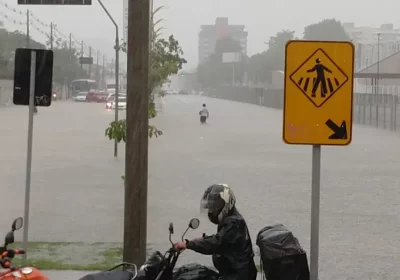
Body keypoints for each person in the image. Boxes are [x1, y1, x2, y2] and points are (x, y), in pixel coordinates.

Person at [174, 184, 257, 280]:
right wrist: (203, 239)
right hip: (235, 273)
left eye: (215, 205)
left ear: (226, 203)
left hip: (237, 276)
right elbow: (223, 239)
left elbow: (217, 243)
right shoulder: (232, 219)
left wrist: (188, 245)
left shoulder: (234, 222)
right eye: (211, 206)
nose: (212, 209)